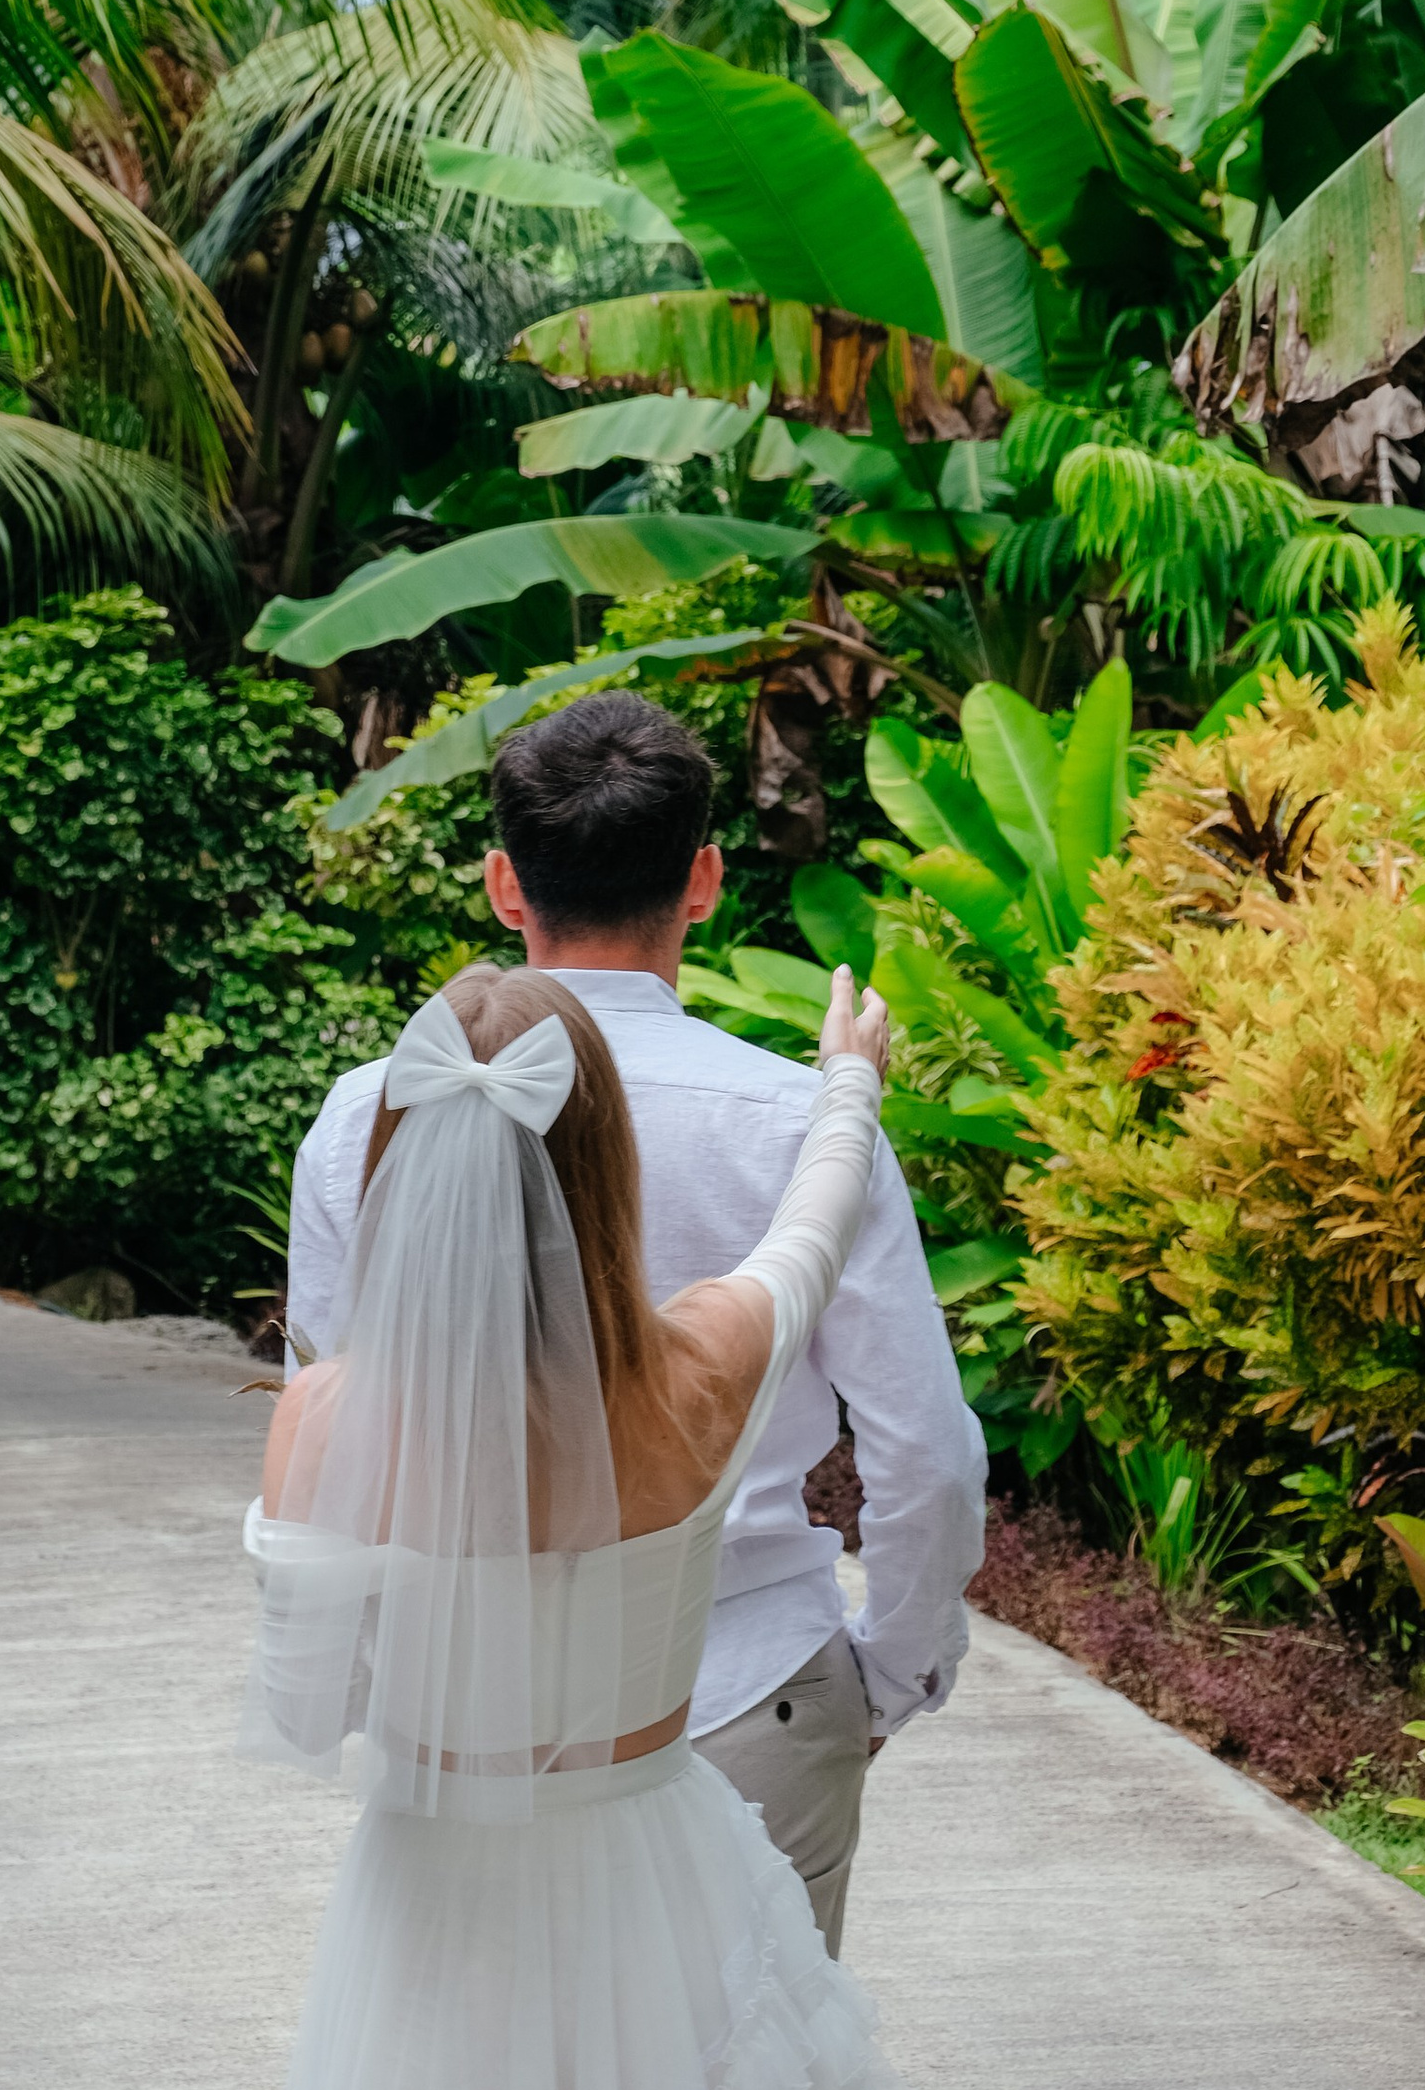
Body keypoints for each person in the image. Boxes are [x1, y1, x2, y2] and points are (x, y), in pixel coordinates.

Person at [235, 955, 925, 2090]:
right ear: (604, 1172)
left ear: (397, 1171)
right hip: (652, 1888)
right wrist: (847, 1078)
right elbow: (814, 1218)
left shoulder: (322, 1419)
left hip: (431, 1904)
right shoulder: (697, 1368)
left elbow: (310, 1712)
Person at [284, 692, 983, 1951]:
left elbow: (343, 1437)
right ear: (704, 879)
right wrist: (889, 1674)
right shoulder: (794, 1125)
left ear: (506, 886)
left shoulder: (365, 1118)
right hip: (748, 1693)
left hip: (465, 1723)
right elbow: (925, 1449)